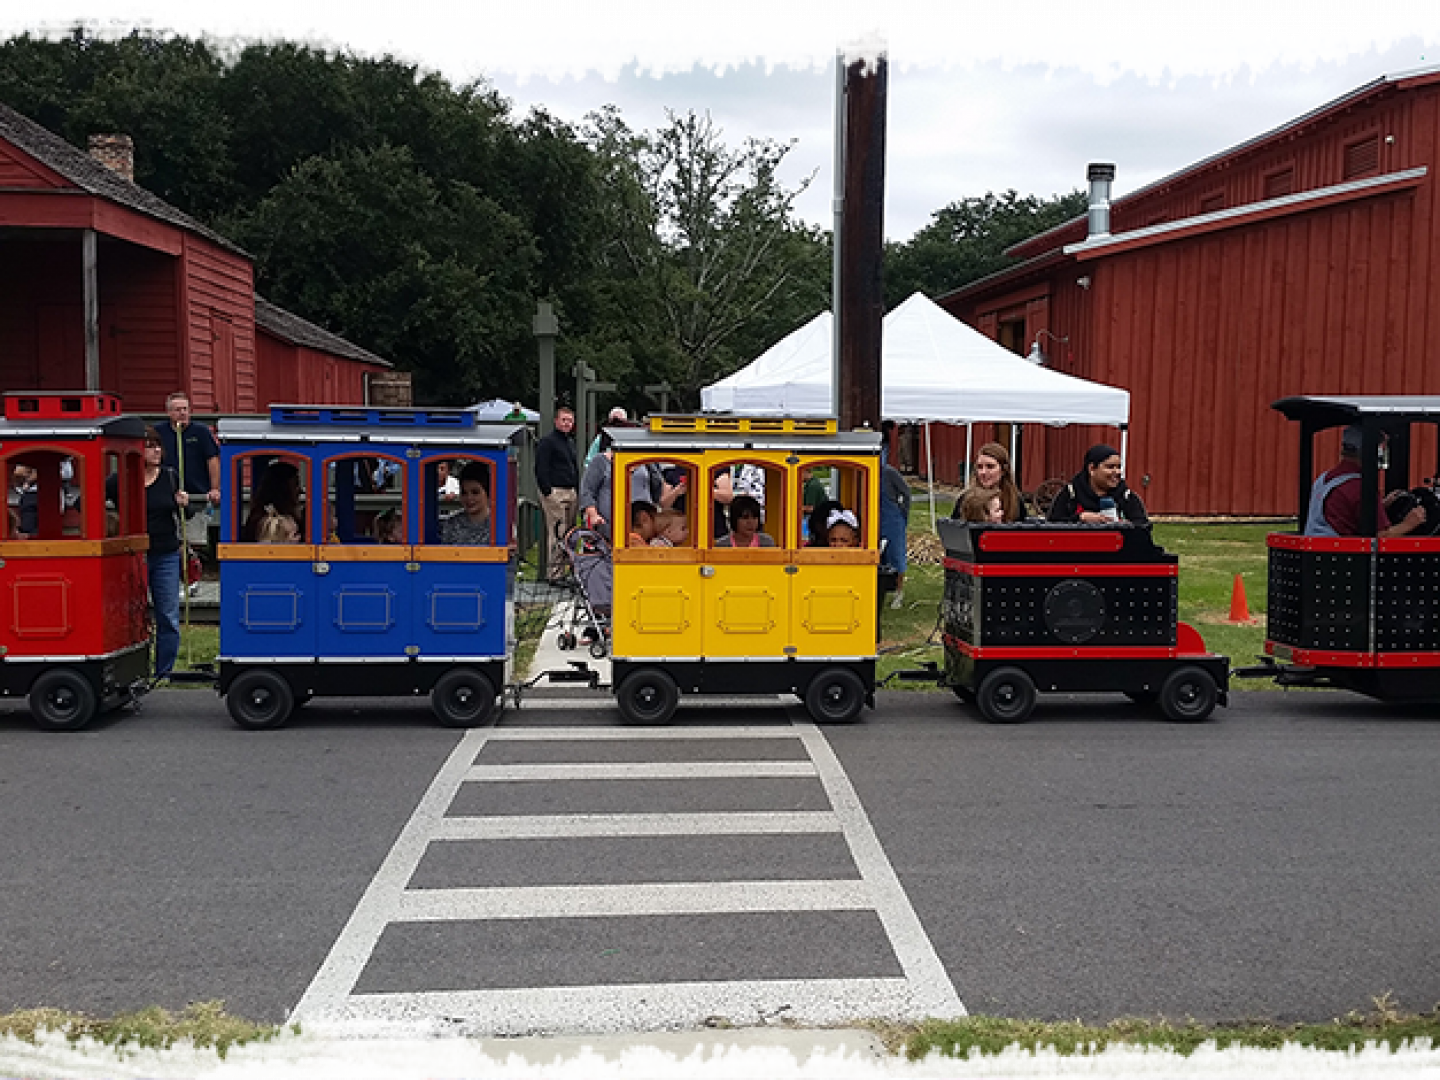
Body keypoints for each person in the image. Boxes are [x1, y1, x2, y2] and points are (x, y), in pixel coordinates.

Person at [106, 426, 188, 679]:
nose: (157, 451)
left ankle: (164, 672)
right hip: (131, 555)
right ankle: (131, 671)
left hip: (165, 554)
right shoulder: (120, 480)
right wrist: (111, 523)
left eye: (158, 445)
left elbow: (185, 515)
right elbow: (84, 502)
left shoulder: (170, 477)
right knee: (131, 615)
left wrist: (184, 503)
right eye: (150, 446)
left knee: (167, 615)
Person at [1306, 425, 1427, 537]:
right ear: (1369, 450)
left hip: (1318, 548)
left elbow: (1345, 514)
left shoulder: (1324, 479)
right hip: (1346, 551)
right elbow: (1380, 537)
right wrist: (1409, 523)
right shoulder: (1361, 488)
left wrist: (1381, 505)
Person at [156, 391, 221, 552]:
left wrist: (215, 488)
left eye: (185, 409)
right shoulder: (159, 432)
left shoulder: (201, 432)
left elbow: (212, 460)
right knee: (170, 544)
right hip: (168, 498)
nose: (182, 413)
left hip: (197, 496)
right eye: (178, 410)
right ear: (169, 412)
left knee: (194, 544)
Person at [1047, 444, 1149, 525]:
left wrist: (1127, 527)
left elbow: (1143, 528)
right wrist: (1080, 518)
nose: (1117, 472)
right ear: (1092, 469)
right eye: (1110, 467)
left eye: (1118, 467)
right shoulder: (1070, 495)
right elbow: (1052, 526)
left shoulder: (1127, 497)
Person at [535, 406, 579, 581]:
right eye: (564, 420)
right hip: (555, 492)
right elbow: (541, 467)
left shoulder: (570, 443)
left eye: (570, 420)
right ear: (556, 421)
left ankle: (565, 570)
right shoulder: (547, 442)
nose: (567, 423)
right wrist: (547, 491)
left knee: (569, 533)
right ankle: (554, 573)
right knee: (557, 533)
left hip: (570, 491)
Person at [951, 442, 1024, 523]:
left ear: (1003, 470)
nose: (983, 472)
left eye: (990, 466)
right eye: (979, 467)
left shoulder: (1015, 500)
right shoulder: (966, 499)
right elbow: (954, 528)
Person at [243, 461, 304, 543]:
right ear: (283, 489)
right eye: (296, 484)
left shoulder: (292, 515)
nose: (300, 490)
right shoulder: (268, 520)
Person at [879, 462, 911, 608]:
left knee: (896, 556)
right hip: (875, 519)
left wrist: (903, 514)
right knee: (878, 557)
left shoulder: (889, 472)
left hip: (892, 520)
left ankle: (898, 593)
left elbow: (906, 492)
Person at [441, 462, 492, 545]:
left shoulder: (498, 525)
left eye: (475, 492)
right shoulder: (451, 523)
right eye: (464, 493)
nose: (469, 498)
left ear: (488, 493)